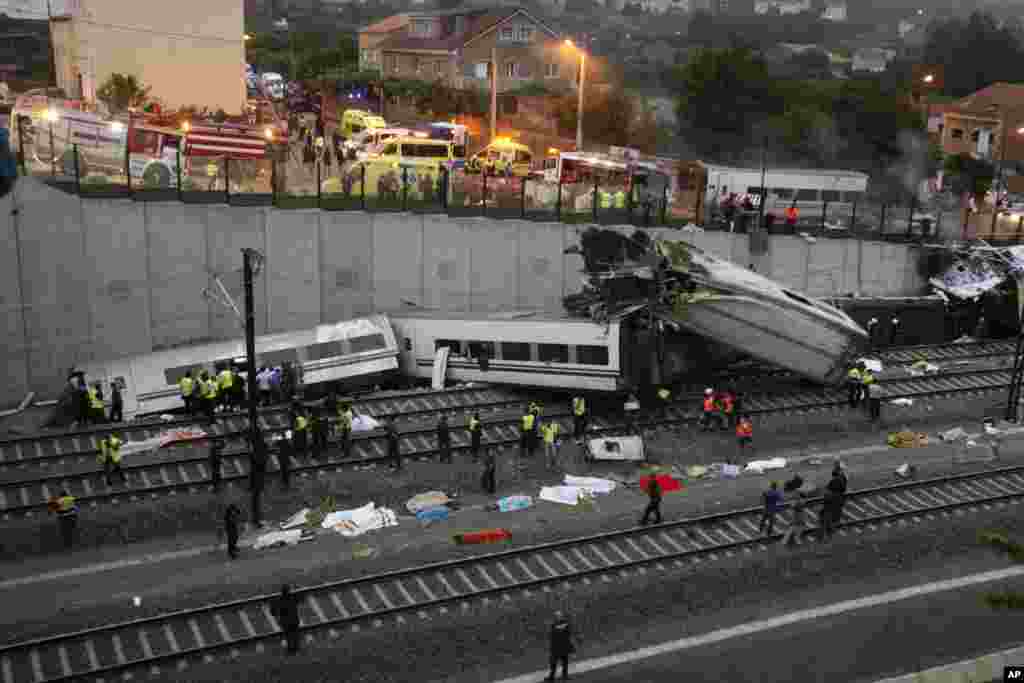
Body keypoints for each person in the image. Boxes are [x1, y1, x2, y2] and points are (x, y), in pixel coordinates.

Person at [272, 584, 302, 655]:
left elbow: (273, 610)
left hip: (285, 621)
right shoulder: (292, 597)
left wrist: (277, 617)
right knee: (295, 636)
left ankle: (290, 650)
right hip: (294, 620)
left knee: (288, 636)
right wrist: (297, 588)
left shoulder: (279, 599)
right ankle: (296, 649)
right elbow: (300, 598)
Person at [547, 610, 575, 682]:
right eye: (556, 616)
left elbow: (569, 634)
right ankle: (552, 677)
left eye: (559, 616)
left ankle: (564, 676)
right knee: (554, 663)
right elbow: (552, 637)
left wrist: (570, 646)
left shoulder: (564, 624)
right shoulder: (553, 625)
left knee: (564, 662)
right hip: (557, 647)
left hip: (563, 646)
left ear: (561, 616)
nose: (558, 617)